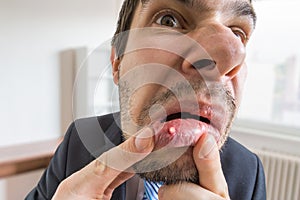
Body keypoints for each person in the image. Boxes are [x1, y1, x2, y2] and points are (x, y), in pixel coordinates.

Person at [26, 0, 266, 199]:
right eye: (168, 20)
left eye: (237, 33)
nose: (227, 54)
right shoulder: (77, 142)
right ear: (117, 63)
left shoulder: (249, 172)